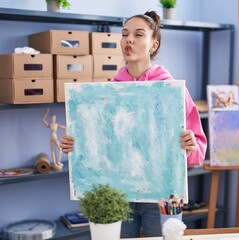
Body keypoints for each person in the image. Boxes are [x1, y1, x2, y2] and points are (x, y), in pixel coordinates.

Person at [60, 11, 207, 238]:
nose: (129, 40)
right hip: (119, 195)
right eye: (125, 34)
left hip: (163, 196)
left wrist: (190, 146)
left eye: (138, 35)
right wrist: (75, 144)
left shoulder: (172, 91)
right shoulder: (109, 91)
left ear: (153, 45)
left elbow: (198, 149)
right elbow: (101, 144)